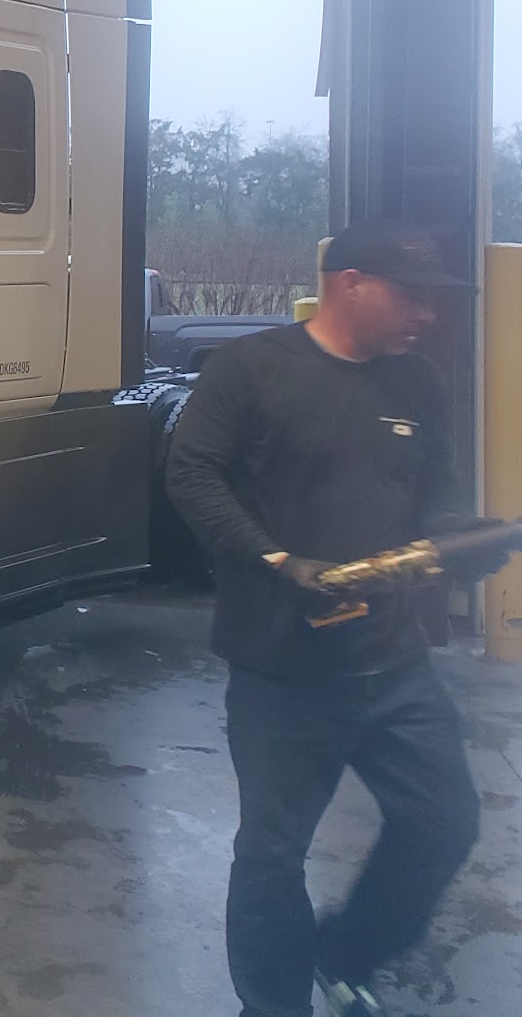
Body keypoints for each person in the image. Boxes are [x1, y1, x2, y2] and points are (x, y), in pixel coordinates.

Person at [165, 218, 498, 1017]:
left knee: (444, 823)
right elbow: (192, 475)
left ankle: (346, 952)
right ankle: (273, 1005)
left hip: (394, 660)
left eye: (432, 299)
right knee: (272, 856)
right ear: (350, 284)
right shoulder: (252, 369)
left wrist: (457, 536)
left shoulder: (416, 381)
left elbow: (435, 482)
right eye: (410, 295)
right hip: (282, 668)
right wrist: (277, 560)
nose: (426, 314)